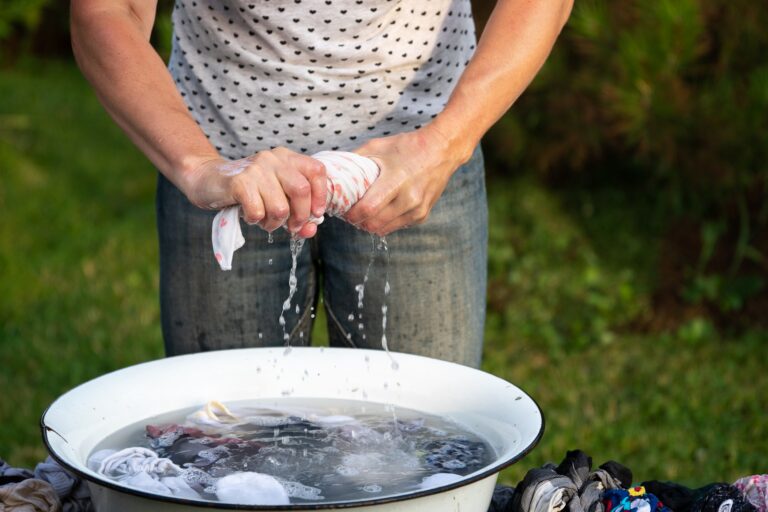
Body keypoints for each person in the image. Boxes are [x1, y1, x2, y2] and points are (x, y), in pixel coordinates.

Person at [70, 0, 573, 368]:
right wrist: (199, 166)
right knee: (228, 451)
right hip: (230, 176)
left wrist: (444, 144)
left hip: (417, 169)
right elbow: (107, 11)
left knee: (415, 447)